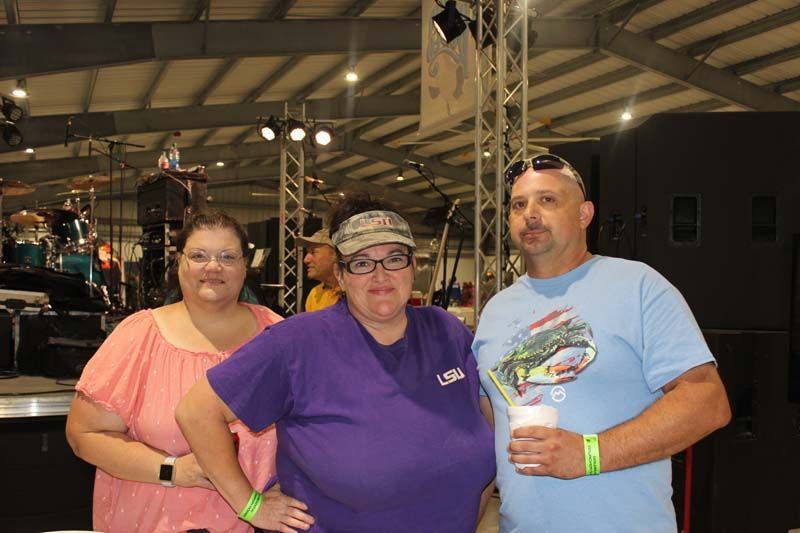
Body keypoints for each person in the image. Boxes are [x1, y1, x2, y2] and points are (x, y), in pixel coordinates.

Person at [176, 192, 496, 532]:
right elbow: (197, 412)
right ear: (341, 276)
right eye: (361, 263)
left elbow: (483, 437)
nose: (380, 275)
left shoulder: (446, 331)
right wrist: (250, 505)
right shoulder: (298, 342)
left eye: (394, 258)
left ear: (413, 266)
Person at [472, 154, 731, 533]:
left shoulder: (638, 286)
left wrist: (589, 454)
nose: (530, 214)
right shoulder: (494, 312)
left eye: (548, 200)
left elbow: (707, 401)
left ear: (584, 214)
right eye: (518, 204)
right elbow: (488, 437)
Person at [66, 211, 285, 533]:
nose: (213, 267)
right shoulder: (139, 335)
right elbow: (84, 435)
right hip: (155, 520)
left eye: (227, 256)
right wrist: (174, 470)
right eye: (199, 256)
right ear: (179, 262)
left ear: (244, 265)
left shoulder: (278, 335)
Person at [297, 228, 340, 312]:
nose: (306, 260)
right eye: (307, 253)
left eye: (313, 252)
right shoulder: (314, 294)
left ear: (335, 255)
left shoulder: (354, 292)